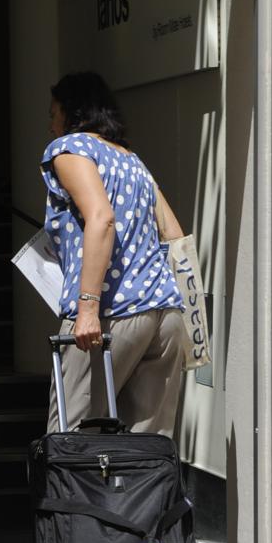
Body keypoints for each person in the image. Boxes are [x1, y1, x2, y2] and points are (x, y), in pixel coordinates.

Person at [41, 71, 187, 437]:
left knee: (71, 435)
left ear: (72, 112)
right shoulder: (132, 161)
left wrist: (87, 307)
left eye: (54, 111)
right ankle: (144, 499)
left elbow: (102, 218)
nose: (51, 122)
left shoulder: (70, 149)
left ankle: (72, 498)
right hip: (164, 312)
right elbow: (174, 234)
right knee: (147, 444)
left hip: (112, 313)